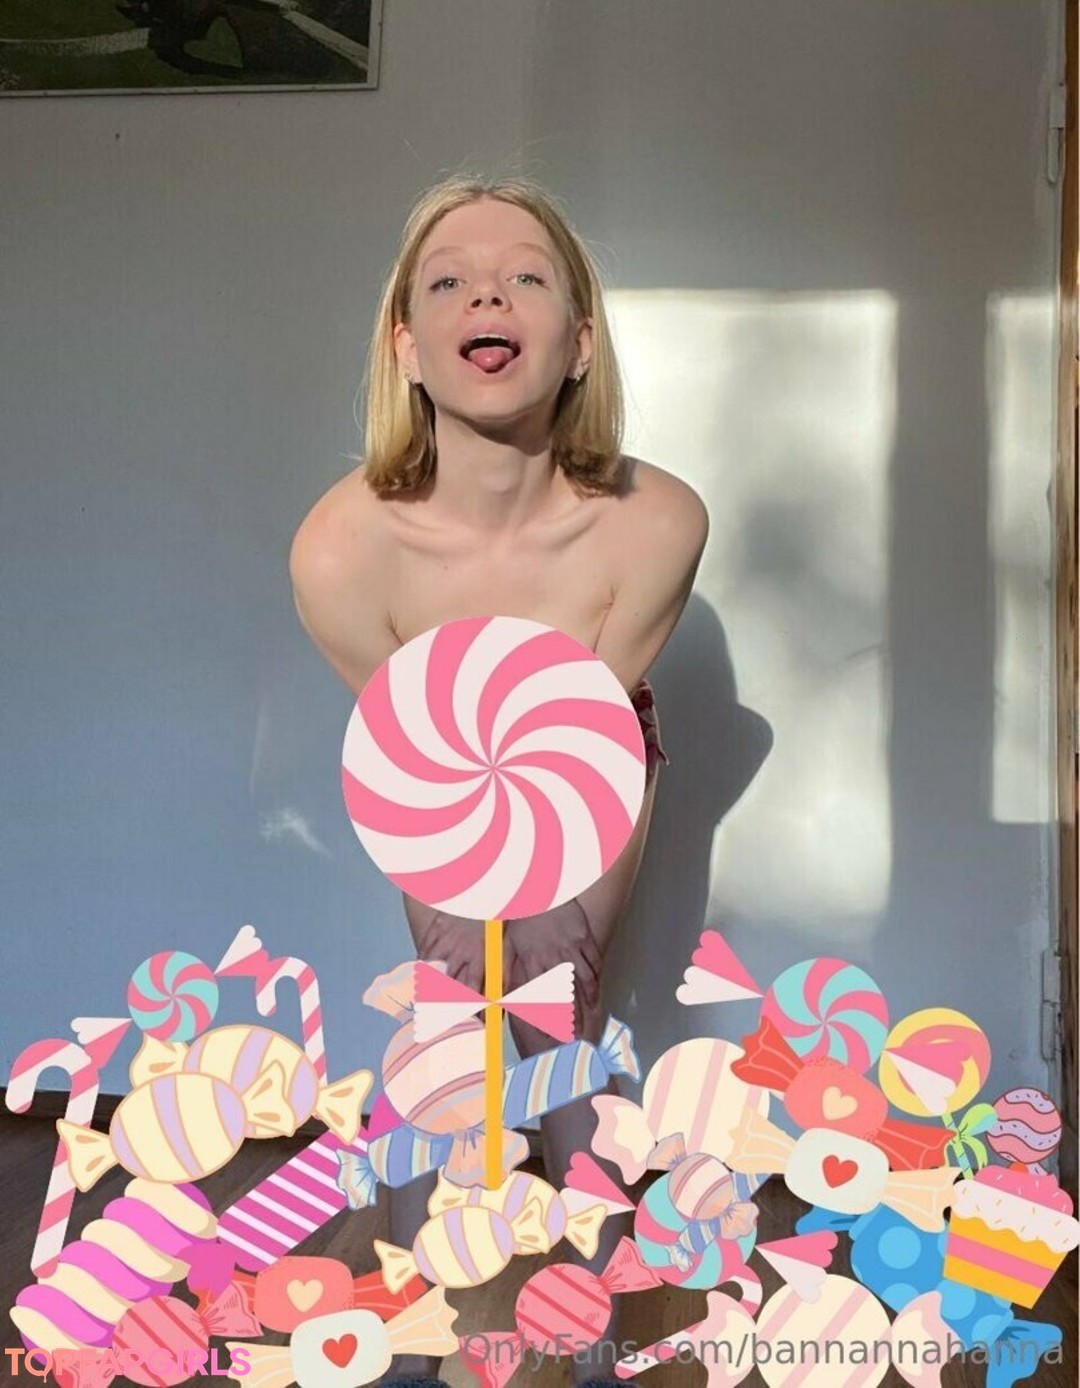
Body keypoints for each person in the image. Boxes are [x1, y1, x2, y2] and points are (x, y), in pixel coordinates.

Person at [290, 175, 708, 1387]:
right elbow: (419, 744)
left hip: (590, 746)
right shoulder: (339, 550)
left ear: (579, 341)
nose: (488, 292)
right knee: (454, 1012)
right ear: (406, 345)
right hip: (434, 760)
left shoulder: (659, 523)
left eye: (526, 274)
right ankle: (438, 1315)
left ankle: (592, 1317)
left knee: (552, 999)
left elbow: (578, 730)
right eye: (450, 278)